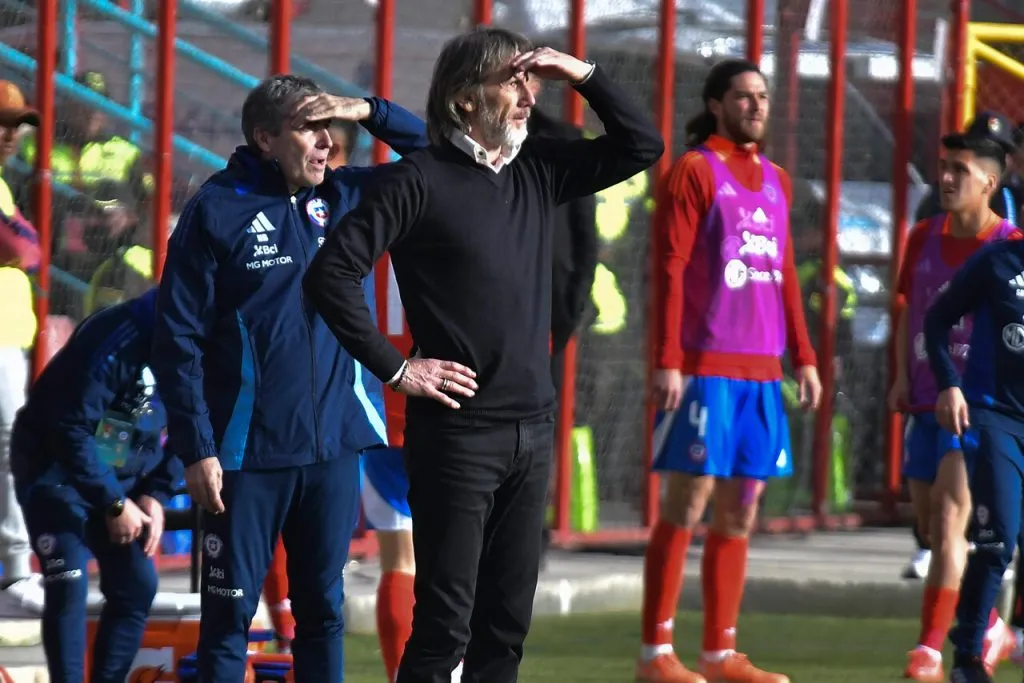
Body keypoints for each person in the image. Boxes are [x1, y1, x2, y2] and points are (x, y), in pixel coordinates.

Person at [302, 26, 663, 683]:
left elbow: (643, 142)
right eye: (512, 81)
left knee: (505, 629)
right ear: (466, 100)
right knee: (445, 626)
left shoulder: (540, 169)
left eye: (530, 81)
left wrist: (578, 72)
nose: (528, 94)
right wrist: (397, 366)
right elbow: (331, 274)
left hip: (533, 429)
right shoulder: (419, 179)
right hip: (459, 436)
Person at [151, 75, 429, 682]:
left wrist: (365, 109)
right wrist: (197, 449)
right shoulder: (214, 211)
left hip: (334, 447)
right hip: (246, 457)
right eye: (310, 127)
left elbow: (437, 158)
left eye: (331, 127)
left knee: (323, 613)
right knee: (229, 621)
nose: (328, 141)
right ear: (265, 139)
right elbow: (177, 340)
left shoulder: (346, 196)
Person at [639, 59, 821, 683]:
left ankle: (720, 654)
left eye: (763, 97)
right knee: (687, 503)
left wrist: (804, 355)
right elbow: (669, 267)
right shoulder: (694, 170)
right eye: (743, 97)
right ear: (716, 105)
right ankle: (656, 653)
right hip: (704, 367)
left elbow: (786, 274)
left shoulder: (777, 179)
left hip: (763, 374)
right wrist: (667, 359)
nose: (756, 106)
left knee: (742, 510)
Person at [889, 129, 1020, 682]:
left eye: (958, 170)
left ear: (990, 183)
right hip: (927, 396)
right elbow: (913, 311)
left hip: (980, 407)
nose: (944, 178)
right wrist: (903, 377)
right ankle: (987, 624)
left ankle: (930, 651)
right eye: (943, 167)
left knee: (952, 520)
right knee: (928, 520)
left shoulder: (1006, 245)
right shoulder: (923, 236)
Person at [8, 288, 181, 682]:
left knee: (137, 585)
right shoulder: (119, 334)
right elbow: (69, 426)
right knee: (68, 584)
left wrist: (156, 493)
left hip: (119, 482)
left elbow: (198, 424)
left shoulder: (203, 337)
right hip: (56, 473)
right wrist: (113, 503)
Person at [922, 207, 1024, 683]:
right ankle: (966, 659)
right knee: (996, 537)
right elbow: (937, 319)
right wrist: (948, 383)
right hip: (996, 418)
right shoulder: (996, 263)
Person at [0, 79, 39, 590]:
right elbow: (22, 244)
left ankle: (13, 570)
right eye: (2, 124)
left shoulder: (4, 183)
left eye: (16, 125)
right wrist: (21, 235)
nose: (11, 135)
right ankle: (14, 571)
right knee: (12, 445)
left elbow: (23, 245)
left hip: (9, 336)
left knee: (11, 446)